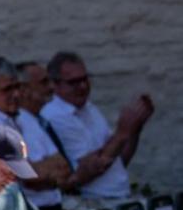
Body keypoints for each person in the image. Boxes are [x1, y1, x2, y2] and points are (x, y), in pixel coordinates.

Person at [0, 57, 85, 210]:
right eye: (7, 89)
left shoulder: (21, 117)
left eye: (17, 87)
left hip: (51, 206)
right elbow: (27, 175)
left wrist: (39, 171)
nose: (17, 94)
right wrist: (39, 171)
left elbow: (63, 165)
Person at [41, 51, 154, 201]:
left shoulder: (89, 108)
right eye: (74, 82)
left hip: (119, 197)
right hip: (94, 201)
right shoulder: (56, 116)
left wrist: (134, 129)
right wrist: (121, 134)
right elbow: (88, 170)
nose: (82, 86)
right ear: (54, 84)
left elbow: (118, 160)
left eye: (85, 79)